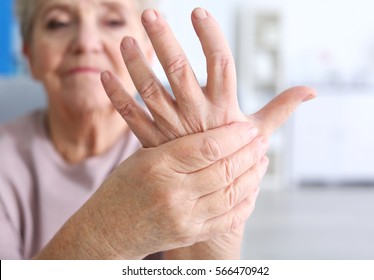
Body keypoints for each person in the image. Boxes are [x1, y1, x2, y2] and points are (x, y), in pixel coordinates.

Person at [0, 0, 316, 259]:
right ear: (29, 54)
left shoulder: (184, 149)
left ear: (147, 50)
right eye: (57, 22)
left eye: (112, 21)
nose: (86, 43)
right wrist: (109, 232)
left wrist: (210, 223)